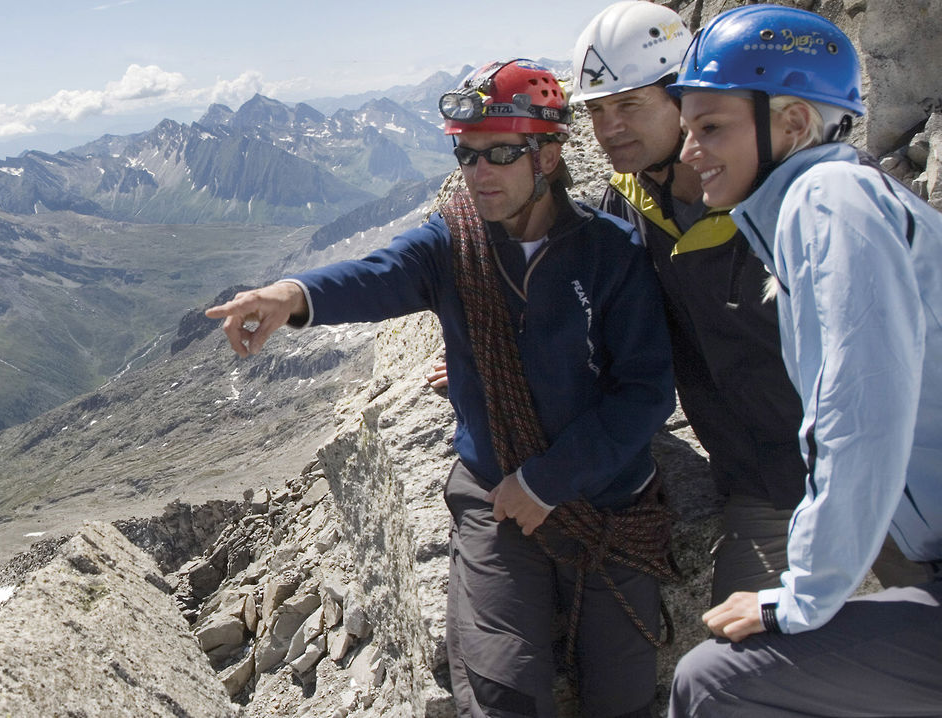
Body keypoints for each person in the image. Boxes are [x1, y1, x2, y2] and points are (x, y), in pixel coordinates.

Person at [207, 59, 676, 717]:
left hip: (604, 502)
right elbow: (381, 273)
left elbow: (647, 391)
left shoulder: (610, 252)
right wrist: (294, 295)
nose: (476, 173)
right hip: (497, 497)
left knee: (622, 700)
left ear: (547, 155)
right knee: (502, 694)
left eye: (499, 154)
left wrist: (547, 481)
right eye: (466, 153)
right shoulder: (454, 242)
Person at [665, 4, 942, 716]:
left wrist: (804, 595)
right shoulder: (830, 201)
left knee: (713, 683)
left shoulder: (828, 200)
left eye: (711, 127)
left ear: (790, 124)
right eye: (689, 128)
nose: (690, 152)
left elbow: (858, 409)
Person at [571, 0, 811, 604]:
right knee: (736, 676)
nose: (608, 128)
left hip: (873, 465)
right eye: (597, 110)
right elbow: (586, 307)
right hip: (762, 486)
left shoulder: (795, 194)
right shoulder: (626, 204)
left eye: (628, 104)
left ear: (683, 97)